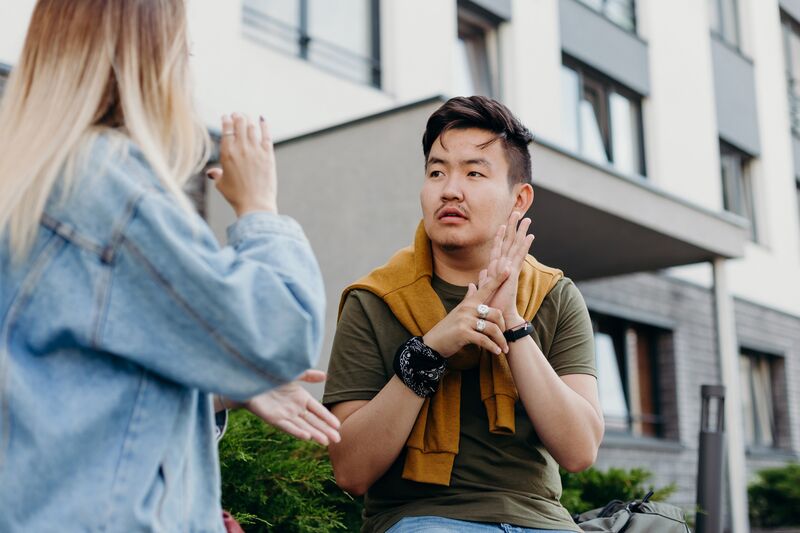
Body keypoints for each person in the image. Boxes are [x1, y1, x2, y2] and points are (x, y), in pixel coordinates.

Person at [0, 1, 338, 531]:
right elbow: (278, 332)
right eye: (183, 53)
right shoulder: (108, 188)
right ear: (149, 62)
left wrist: (226, 386)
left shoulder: (28, 184)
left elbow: (66, 406)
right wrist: (258, 206)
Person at [324, 96, 604, 533]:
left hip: (541, 521)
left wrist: (513, 325)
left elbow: (580, 450)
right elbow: (351, 471)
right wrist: (430, 351)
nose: (449, 189)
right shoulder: (374, 299)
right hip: (421, 520)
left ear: (519, 199)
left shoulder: (554, 294)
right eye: (437, 172)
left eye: (474, 172)